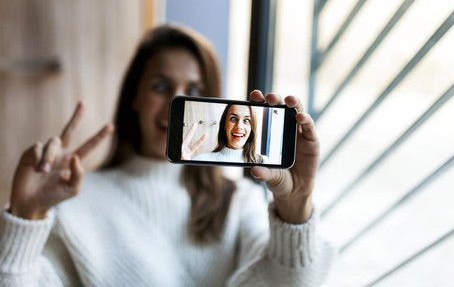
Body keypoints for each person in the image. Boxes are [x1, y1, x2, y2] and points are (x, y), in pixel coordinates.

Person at [0, 24, 334, 286]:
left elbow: (291, 281)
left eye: (193, 91)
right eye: (161, 87)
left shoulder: (240, 201)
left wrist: (295, 206)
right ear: (134, 98)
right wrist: (25, 214)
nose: (175, 103)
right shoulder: (76, 203)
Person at [188, 104, 265, 163]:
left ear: (252, 128)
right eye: (233, 119)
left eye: (247, 120)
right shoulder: (201, 160)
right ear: (224, 125)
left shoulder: (264, 163)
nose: (239, 126)